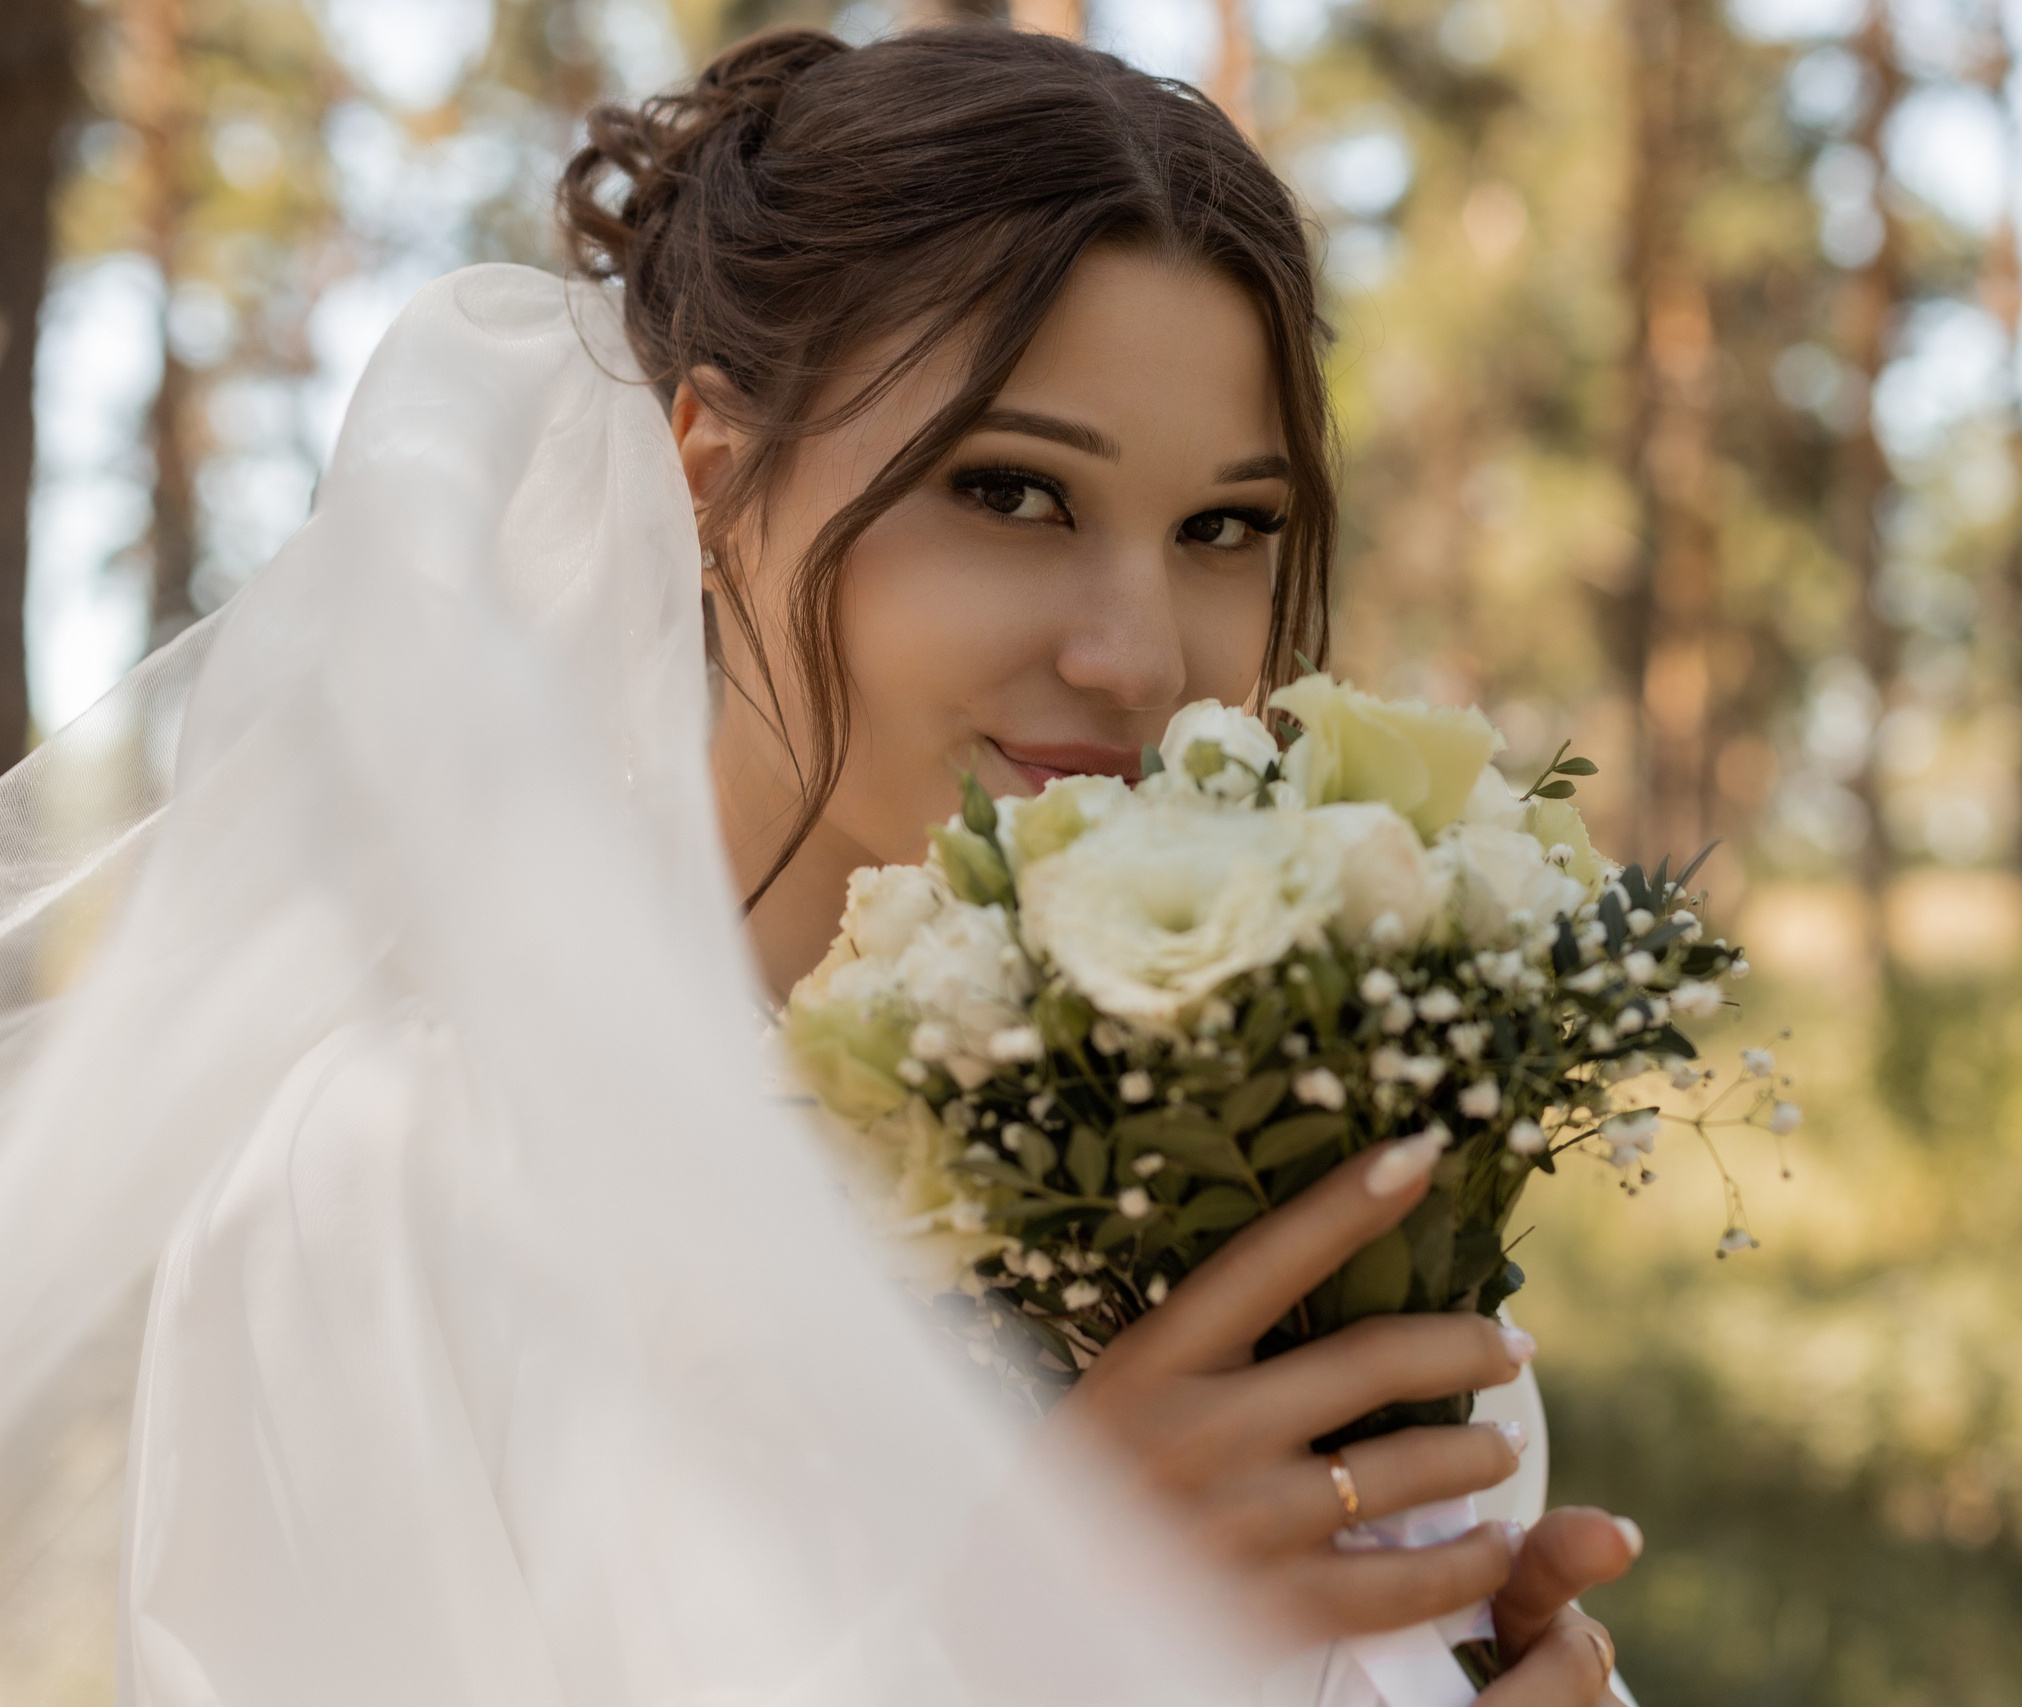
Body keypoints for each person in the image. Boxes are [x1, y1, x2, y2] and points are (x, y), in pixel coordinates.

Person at [0, 24, 1631, 1706]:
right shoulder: (398, 1182)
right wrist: (1027, 1633)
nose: (1141, 657)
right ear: (711, 476)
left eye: (1227, 527)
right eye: (1012, 492)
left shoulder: (1290, 1166)